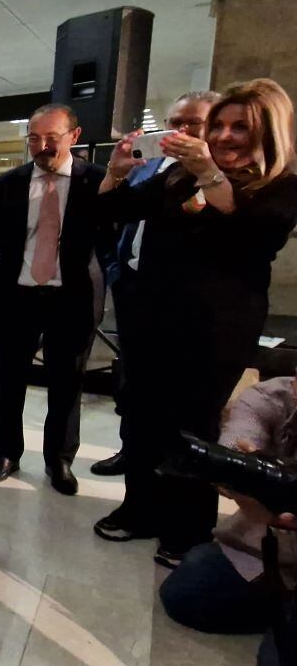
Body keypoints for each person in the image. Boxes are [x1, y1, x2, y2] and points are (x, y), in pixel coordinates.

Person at [92, 78, 297, 568]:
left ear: (267, 131)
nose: (225, 137)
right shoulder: (177, 177)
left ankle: (186, 527)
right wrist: (116, 175)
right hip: (151, 317)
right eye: (220, 126)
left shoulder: (279, 186)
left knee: (191, 427)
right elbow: (113, 211)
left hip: (213, 330)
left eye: (238, 127)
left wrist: (206, 169)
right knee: (141, 418)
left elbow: (250, 234)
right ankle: (139, 509)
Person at [92, 90, 220, 478]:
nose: (181, 131)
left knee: (179, 399)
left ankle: (169, 470)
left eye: (192, 123)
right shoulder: (150, 168)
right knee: (134, 385)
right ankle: (133, 454)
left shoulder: (219, 177)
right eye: (174, 123)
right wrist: (116, 269)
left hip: (187, 302)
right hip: (133, 285)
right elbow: (114, 214)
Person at [0, 103, 108, 496]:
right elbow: (1, 240)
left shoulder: (97, 182)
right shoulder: (8, 184)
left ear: (74, 135)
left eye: (51, 138)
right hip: (16, 296)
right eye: (34, 138)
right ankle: (6, 452)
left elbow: (105, 239)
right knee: (8, 379)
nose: (42, 146)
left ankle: (59, 459)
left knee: (66, 383)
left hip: (70, 298)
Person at [158, 375, 297, 636]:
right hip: (272, 543)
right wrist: (240, 470)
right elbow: (239, 437)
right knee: (185, 591)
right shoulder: (268, 398)